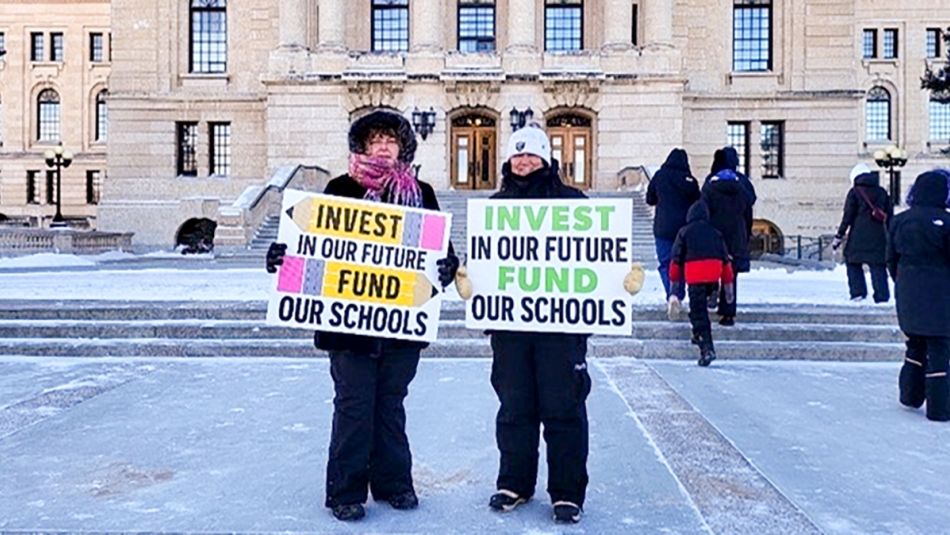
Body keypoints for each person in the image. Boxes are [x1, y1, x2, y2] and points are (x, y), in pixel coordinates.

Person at [265, 110, 459, 521]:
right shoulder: (339, 189)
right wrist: (283, 257)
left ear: (402, 146)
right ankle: (345, 491)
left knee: (390, 407)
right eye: (375, 140)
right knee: (353, 407)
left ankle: (394, 485)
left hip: (401, 328)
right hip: (348, 327)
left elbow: (443, 252)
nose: (384, 146)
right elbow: (309, 246)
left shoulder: (420, 192)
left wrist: (444, 268)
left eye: (391, 139)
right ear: (362, 147)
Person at [480, 125, 644, 524]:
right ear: (508, 160)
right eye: (518, 155)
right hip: (511, 329)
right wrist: (472, 281)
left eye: (532, 155)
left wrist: (618, 280)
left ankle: (567, 492)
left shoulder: (574, 202)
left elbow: (597, 255)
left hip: (561, 330)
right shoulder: (495, 206)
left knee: (564, 407)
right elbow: (487, 262)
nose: (524, 161)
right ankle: (514, 482)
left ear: (546, 160)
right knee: (514, 407)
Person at [887, 169, 950, 422]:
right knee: (939, 349)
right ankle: (940, 408)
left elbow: (891, 259)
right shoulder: (946, 223)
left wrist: (904, 283)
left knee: (915, 343)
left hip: (909, 293)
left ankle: (910, 395)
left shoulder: (900, 221)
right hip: (942, 295)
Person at [668, 200, 735, 366]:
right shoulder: (715, 232)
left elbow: (676, 259)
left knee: (699, 313)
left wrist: (674, 287)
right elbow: (725, 260)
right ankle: (711, 297)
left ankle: (706, 347)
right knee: (701, 307)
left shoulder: (684, 232)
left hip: (695, 275)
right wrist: (728, 289)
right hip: (714, 273)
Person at [701, 148, 753, 326]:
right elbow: (749, 208)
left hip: (715, 233)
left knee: (712, 266)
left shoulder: (710, 183)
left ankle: (712, 290)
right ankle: (728, 313)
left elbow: (703, 210)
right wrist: (746, 233)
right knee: (731, 274)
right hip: (736, 234)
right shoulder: (743, 184)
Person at [645, 148, 700, 303]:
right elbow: (698, 203)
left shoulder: (659, 176)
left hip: (662, 228)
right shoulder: (690, 180)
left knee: (665, 262)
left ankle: (672, 293)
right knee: (681, 262)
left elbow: (650, 199)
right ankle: (678, 292)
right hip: (684, 229)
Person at [832, 163, 892, 303]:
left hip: (858, 235)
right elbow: (890, 215)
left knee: (852, 262)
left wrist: (839, 235)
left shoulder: (854, 192)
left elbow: (848, 216)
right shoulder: (882, 192)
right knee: (878, 265)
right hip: (878, 236)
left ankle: (858, 292)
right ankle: (882, 295)